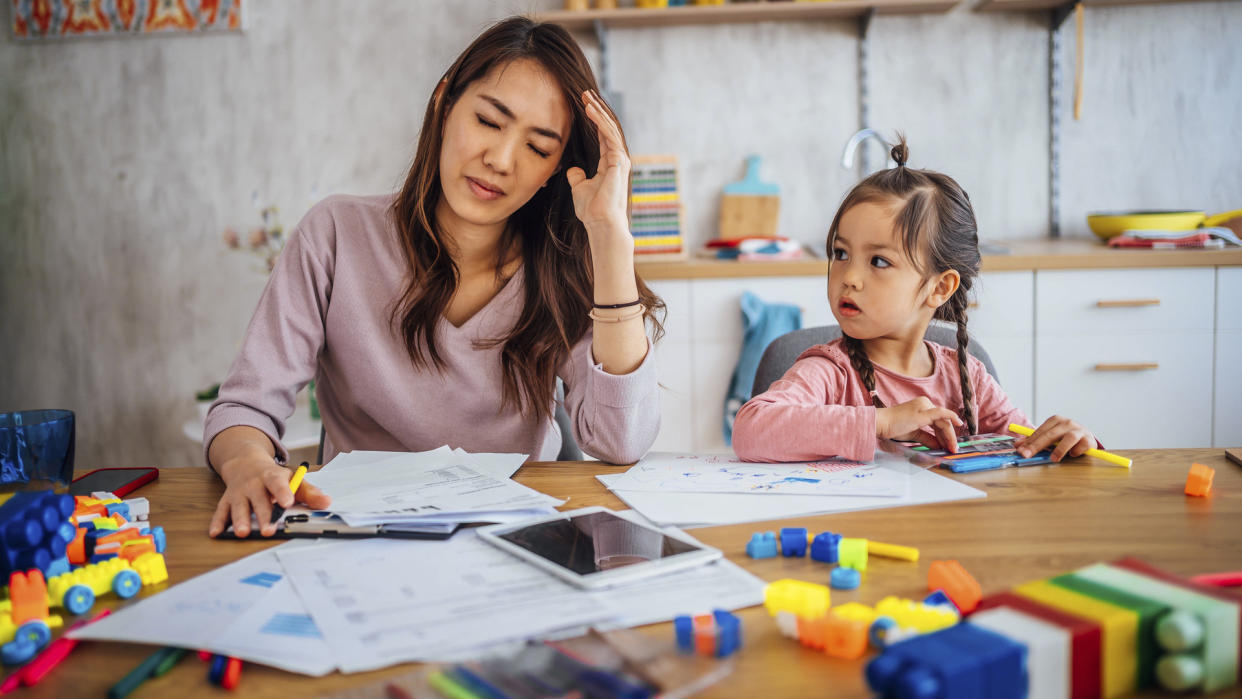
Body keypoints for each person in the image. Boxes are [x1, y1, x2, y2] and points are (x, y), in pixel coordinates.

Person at [206, 17, 663, 538]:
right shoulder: (334, 235)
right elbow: (246, 405)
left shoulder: (562, 270)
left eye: (538, 148)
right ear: (444, 104)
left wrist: (608, 238)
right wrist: (249, 464)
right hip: (357, 539)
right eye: (489, 121)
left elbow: (622, 439)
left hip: (512, 540)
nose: (500, 159)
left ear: (556, 170)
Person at [732, 138, 1097, 464]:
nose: (850, 277)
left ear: (939, 288)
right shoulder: (830, 372)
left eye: (878, 261)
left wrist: (1069, 443)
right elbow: (751, 429)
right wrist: (883, 421)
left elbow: (1026, 446)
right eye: (841, 254)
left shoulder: (967, 377)